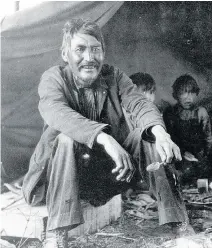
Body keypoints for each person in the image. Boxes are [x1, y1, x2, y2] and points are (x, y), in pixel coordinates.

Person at [21, 19, 192, 248]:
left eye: (95, 49)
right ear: (65, 53)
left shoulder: (114, 77)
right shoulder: (54, 78)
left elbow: (139, 103)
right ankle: (57, 234)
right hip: (62, 178)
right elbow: (57, 113)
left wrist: (160, 133)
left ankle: (179, 223)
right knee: (64, 138)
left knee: (148, 135)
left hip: (107, 175)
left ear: (103, 52)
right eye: (80, 49)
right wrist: (104, 137)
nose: (89, 58)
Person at [163, 74, 212, 187]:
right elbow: (170, 137)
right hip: (179, 156)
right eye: (183, 93)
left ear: (196, 93)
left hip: (198, 156)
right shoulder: (170, 113)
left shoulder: (201, 112)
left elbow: (207, 136)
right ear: (175, 95)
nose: (188, 97)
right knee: (180, 182)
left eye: (192, 93)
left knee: (201, 184)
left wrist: (204, 155)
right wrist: (182, 152)